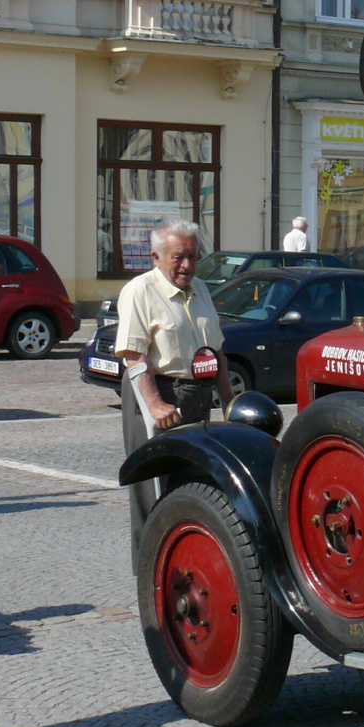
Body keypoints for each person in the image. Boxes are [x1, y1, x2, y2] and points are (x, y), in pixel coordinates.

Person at [115, 219, 236, 542]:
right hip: (158, 394)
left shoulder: (201, 289)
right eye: (178, 257)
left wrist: (230, 404)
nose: (187, 265)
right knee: (153, 495)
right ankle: (149, 566)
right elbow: (134, 356)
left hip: (198, 393)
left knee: (193, 488)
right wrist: (155, 404)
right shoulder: (140, 290)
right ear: (156, 257)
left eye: (193, 256)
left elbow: (217, 352)